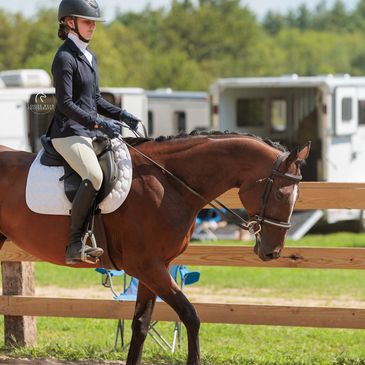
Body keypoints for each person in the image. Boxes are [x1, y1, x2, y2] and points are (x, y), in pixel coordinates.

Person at [48, 0, 140, 264]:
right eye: (87, 22)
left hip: (86, 130)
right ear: (69, 23)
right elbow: (66, 105)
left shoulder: (89, 57)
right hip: (68, 132)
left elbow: (95, 99)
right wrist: (99, 124)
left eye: (93, 23)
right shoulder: (64, 57)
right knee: (94, 175)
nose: (92, 27)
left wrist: (121, 114)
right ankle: (74, 244)